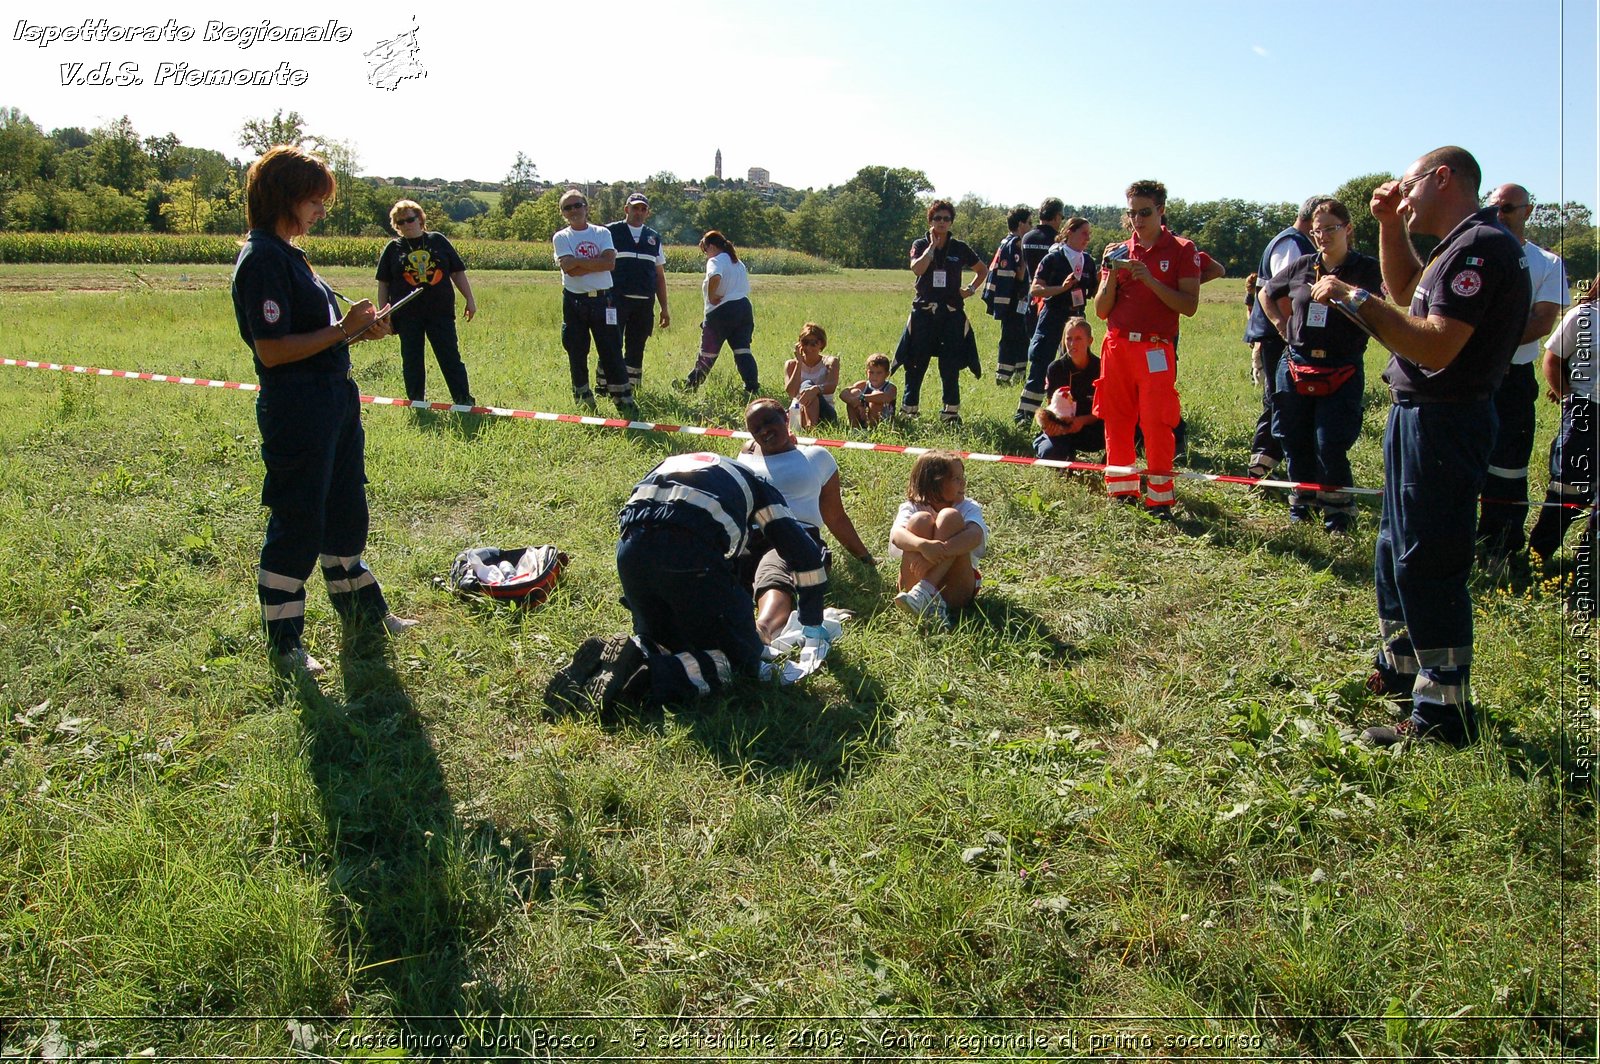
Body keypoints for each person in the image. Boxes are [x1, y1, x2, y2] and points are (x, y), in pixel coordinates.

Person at [1309, 146, 1529, 748]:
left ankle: (1442, 711)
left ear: (1443, 178)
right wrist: (1386, 225)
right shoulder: (1455, 245)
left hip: (1447, 420)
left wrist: (1353, 297)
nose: (1402, 197)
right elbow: (1406, 291)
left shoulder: (1482, 247)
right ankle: (1403, 665)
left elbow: (1433, 346)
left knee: (1428, 558)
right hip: (1419, 416)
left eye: (1408, 188)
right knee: (1393, 549)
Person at [230, 146, 415, 678]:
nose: (321, 210)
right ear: (284, 197)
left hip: (332, 400)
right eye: (314, 200)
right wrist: (342, 330)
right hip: (297, 407)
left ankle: (362, 611)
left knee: (344, 507)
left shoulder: (288, 253)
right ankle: (285, 642)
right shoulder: (262, 257)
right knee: (299, 520)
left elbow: (320, 335)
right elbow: (272, 349)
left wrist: (358, 329)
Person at [544, 451, 829, 713]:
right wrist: (812, 623)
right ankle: (647, 677)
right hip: (689, 555)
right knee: (740, 662)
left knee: (666, 639)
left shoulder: (677, 465)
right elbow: (806, 558)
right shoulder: (760, 486)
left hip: (630, 552)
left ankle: (620, 657)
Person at [1257, 197, 1385, 533]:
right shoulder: (1303, 265)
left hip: (1342, 368)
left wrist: (1348, 294)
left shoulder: (1366, 269)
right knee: (1293, 438)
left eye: (1330, 229)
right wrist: (1281, 325)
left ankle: (1339, 515)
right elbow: (1266, 292)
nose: (1323, 236)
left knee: (1330, 443)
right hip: (1296, 364)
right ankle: (1302, 507)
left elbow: (1385, 307)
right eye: (1317, 231)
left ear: (1348, 229)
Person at [1092, 179, 1202, 519]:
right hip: (1117, 345)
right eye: (1132, 213)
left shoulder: (1182, 249)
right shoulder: (1118, 250)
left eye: (1145, 212)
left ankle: (1160, 498)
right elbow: (1100, 310)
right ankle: (1123, 491)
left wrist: (1150, 279)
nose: (1137, 220)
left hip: (1155, 348)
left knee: (1156, 421)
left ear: (1161, 211)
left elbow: (1189, 305)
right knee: (1117, 417)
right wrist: (1111, 273)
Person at [1476, 183, 1570, 562]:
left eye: (1509, 208)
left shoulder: (1547, 263)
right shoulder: (1470, 253)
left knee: (1508, 467)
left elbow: (1541, 323)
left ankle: (1500, 545)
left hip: (1512, 377)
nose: (1500, 214)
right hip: (1466, 376)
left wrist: (1476, 339)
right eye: (1494, 206)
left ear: (1527, 212)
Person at [737, 398, 874, 641]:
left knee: (774, 571)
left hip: (795, 538)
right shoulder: (746, 453)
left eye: (769, 421)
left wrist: (864, 557)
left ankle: (762, 632)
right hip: (750, 536)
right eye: (756, 428)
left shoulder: (816, 457)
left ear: (786, 418)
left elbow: (835, 515)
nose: (764, 431)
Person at [1241, 198, 1318, 480]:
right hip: (1279, 337)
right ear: (1312, 219)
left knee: (1282, 401)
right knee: (1279, 400)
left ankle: (1268, 464)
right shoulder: (1292, 244)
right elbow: (1284, 294)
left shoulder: (1299, 242)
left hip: (1285, 336)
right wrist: (1290, 331)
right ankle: (1260, 468)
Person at [891, 201, 988, 423]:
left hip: (951, 314)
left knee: (950, 365)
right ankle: (909, 411)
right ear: (930, 220)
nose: (942, 222)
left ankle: (950, 413)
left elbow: (982, 270)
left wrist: (970, 289)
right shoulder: (920, 243)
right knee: (915, 363)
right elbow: (917, 268)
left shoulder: (960, 247)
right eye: (937, 218)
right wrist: (931, 249)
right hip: (924, 312)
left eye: (946, 218)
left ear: (951, 221)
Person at [375, 199, 478, 406]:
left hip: (440, 311)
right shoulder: (392, 248)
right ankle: (417, 403)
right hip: (406, 315)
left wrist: (469, 299)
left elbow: (457, 272)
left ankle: (464, 402)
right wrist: (385, 313)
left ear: (420, 219)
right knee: (412, 360)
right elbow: (383, 283)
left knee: (449, 357)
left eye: (410, 219)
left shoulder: (438, 241)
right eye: (400, 222)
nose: (406, 225)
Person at [1528, 274, 1599, 566]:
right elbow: (1553, 360)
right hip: (1587, 412)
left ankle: (1590, 565)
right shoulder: (1585, 316)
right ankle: (1536, 558)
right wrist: (1568, 398)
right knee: (1568, 493)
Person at [552, 188, 635, 412]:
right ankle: (583, 399)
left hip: (603, 301)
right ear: (563, 213)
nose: (574, 210)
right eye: (568, 208)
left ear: (586, 207)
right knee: (577, 350)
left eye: (577, 205)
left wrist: (579, 262)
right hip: (574, 302)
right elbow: (569, 268)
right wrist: (593, 262)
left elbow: (609, 264)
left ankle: (623, 400)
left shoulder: (602, 233)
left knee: (611, 350)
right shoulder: (561, 237)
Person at [889, 450, 988, 628]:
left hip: (956, 589)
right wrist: (924, 546)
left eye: (962, 477)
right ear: (934, 483)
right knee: (920, 520)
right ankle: (924, 599)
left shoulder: (967, 506)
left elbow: (975, 536)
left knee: (950, 517)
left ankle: (925, 591)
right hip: (911, 586)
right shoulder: (911, 507)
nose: (963, 482)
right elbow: (897, 536)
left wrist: (938, 553)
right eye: (956, 479)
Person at [1015, 217, 1097, 425]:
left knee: (1072, 367)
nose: (1088, 238)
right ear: (1069, 232)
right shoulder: (1053, 258)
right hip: (1053, 316)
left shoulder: (1087, 260)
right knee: (1041, 363)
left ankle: (1064, 416)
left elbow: (1094, 291)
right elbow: (1035, 289)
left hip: (1076, 318)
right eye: (1084, 233)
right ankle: (1024, 416)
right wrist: (1061, 288)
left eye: (1089, 233)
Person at [678, 230, 760, 394]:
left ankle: (690, 386)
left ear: (712, 246)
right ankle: (752, 387)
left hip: (722, 312)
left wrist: (712, 296)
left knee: (708, 353)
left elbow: (715, 276)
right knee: (743, 350)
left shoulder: (715, 260)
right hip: (744, 309)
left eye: (705, 250)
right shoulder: (738, 262)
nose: (705, 255)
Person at [606, 192, 671, 393]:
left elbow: (659, 275)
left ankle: (631, 389)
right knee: (611, 344)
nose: (639, 212)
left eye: (643, 209)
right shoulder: (610, 232)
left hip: (644, 303)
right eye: (635, 208)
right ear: (626, 209)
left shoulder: (653, 237)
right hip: (615, 300)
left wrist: (664, 308)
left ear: (647, 213)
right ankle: (605, 386)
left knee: (637, 348)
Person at [1033, 317, 1105, 464]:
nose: (1072, 344)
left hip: (1093, 425)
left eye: (1078, 339)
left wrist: (1082, 421)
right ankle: (1063, 455)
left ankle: (1107, 465)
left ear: (1090, 341)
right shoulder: (1056, 368)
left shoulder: (1102, 367)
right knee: (1049, 452)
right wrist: (1051, 424)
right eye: (1069, 339)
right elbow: (1051, 408)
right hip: (1064, 426)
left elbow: (1107, 409)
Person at [982, 207, 1031, 384]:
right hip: (1014, 299)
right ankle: (1004, 376)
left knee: (1018, 336)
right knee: (1014, 337)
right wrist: (1027, 259)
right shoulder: (1016, 244)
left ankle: (1017, 373)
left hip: (1009, 299)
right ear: (1020, 224)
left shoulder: (1006, 242)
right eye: (1029, 223)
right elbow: (1019, 274)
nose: (1032, 228)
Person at [783, 322, 840, 427]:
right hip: (799, 411)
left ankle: (811, 426)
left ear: (821, 344)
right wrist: (799, 363)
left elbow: (831, 386)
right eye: (805, 342)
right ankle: (808, 425)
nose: (809, 347)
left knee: (807, 385)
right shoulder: (791, 364)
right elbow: (791, 392)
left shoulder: (830, 362)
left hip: (825, 413)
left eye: (813, 343)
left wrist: (815, 390)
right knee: (806, 386)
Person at [840, 353, 898, 427]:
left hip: (882, 421)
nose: (875, 376)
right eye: (871, 372)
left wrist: (862, 398)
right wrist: (856, 403)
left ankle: (870, 429)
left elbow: (885, 397)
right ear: (866, 372)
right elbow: (843, 393)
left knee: (875, 395)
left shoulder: (891, 388)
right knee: (853, 393)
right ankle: (855, 428)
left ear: (887, 374)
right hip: (862, 416)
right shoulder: (863, 385)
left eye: (879, 373)